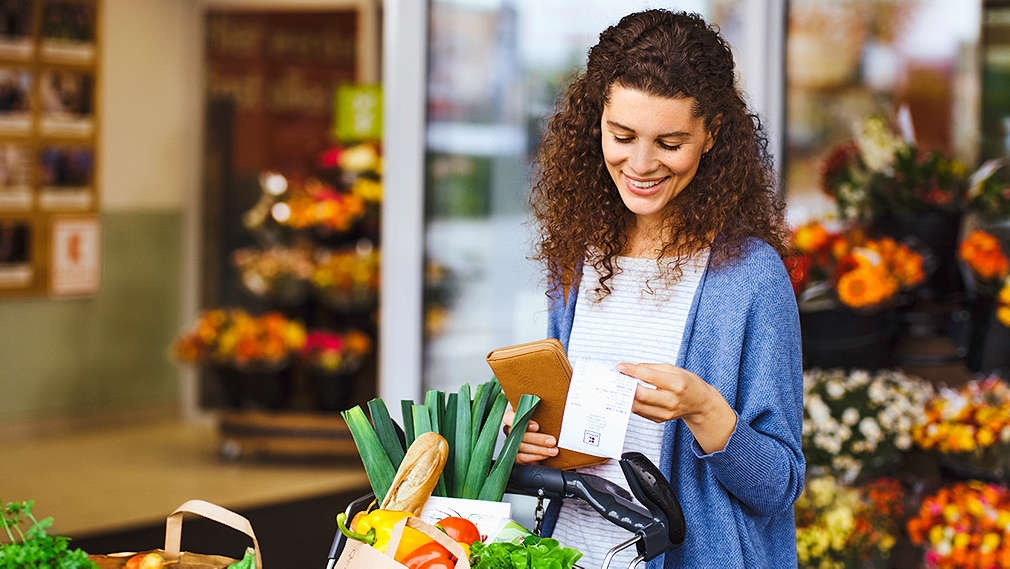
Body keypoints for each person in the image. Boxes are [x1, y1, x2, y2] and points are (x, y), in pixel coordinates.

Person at [503, 10, 803, 569]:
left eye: (669, 142)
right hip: (573, 554)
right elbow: (566, 437)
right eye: (622, 136)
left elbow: (778, 485)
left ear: (712, 133)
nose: (640, 164)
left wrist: (703, 409)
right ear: (596, 122)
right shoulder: (580, 255)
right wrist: (526, 437)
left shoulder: (751, 277)